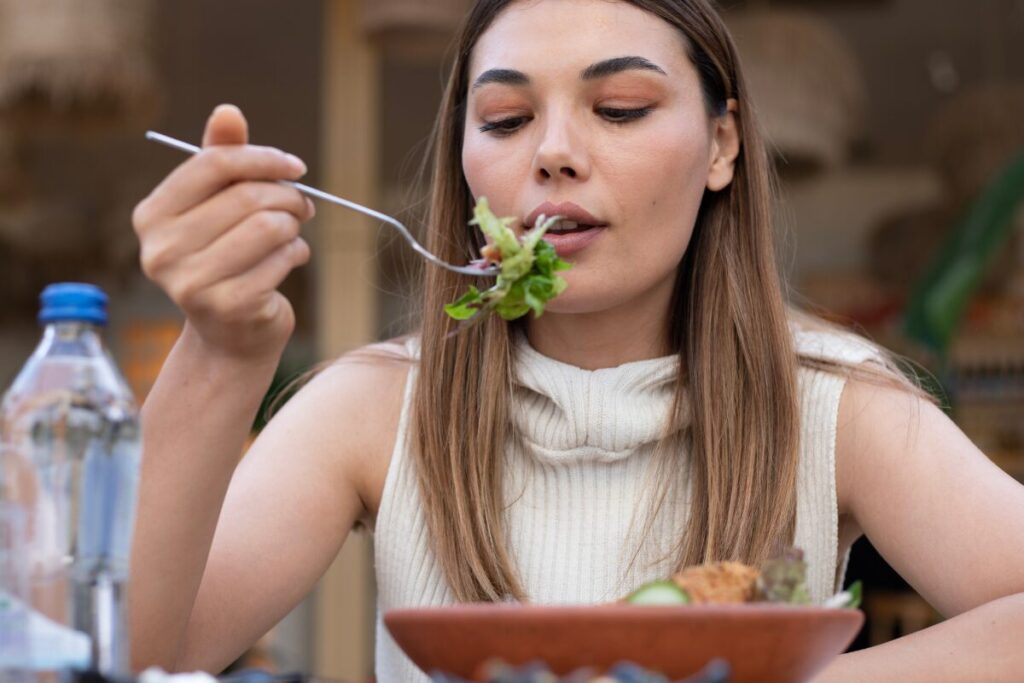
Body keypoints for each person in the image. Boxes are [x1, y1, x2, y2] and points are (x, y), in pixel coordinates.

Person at [128, 0, 1024, 680]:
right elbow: (136, 650)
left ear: (721, 145)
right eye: (507, 121)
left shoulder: (835, 401)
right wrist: (220, 352)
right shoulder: (372, 405)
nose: (553, 152)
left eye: (621, 107)